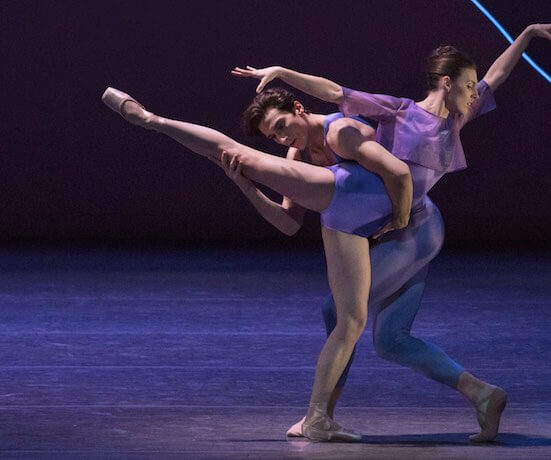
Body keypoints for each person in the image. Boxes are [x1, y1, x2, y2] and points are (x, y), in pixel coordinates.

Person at [233, 22, 551, 442]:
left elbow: (496, 76)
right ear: (447, 83)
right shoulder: (400, 110)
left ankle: (320, 414)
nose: (475, 93)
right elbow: (334, 92)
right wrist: (285, 74)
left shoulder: (455, 118)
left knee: (338, 313)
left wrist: (525, 36)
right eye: (467, 85)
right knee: (391, 339)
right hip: (412, 233)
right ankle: (483, 394)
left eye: (473, 87)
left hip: (414, 229)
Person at [101, 85, 436, 442]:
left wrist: (400, 220)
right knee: (349, 321)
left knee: (238, 154)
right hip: (343, 214)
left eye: (281, 125)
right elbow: (289, 224)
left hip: (371, 202)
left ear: (298, 107)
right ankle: (317, 417)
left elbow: (398, 173)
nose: (280, 137)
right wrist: (245, 187)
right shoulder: (297, 153)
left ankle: (150, 119)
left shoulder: (341, 131)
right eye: (273, 135)